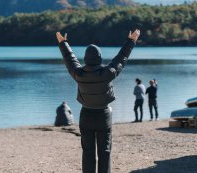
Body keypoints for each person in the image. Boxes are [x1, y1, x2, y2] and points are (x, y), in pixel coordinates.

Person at [56, 29, 140, 173]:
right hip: (103, 115)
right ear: (100, 58)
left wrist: (63, 43)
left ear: (86, 58)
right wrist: (131, 41)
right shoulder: (107, 73)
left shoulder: (78, 74)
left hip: (86, 115)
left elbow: (70, 59)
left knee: (87, 152)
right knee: (105, 152)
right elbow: (121, 58)